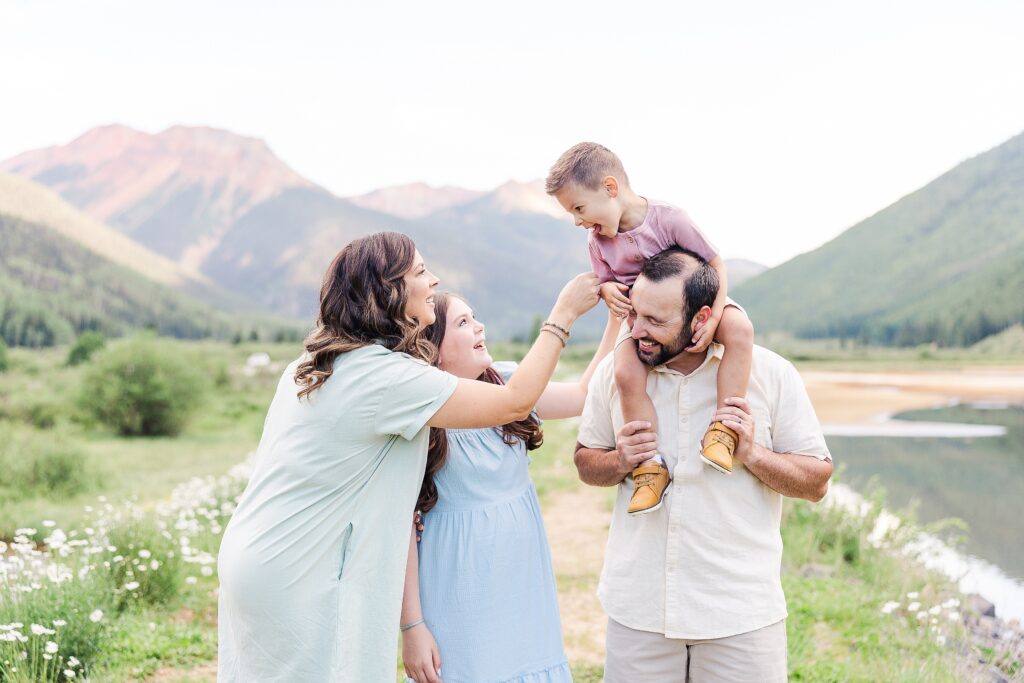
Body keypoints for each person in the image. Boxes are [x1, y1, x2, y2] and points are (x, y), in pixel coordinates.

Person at [217, 232, 599, 683]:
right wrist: (564, 314)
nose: (434, 281)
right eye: (420, 272)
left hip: (258, 552)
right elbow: (516, 402)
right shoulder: (383, 376)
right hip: (303, 568)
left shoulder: (314, 363)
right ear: (388, 289)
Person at [574, 247, 832, 682]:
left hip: (739, 617)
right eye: (636, 315)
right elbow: (584, 461)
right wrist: (619, 461)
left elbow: (817, 482)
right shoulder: (614, 374)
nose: (638, 331)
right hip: (639, 612)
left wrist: (753, 453)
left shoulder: (771, 374)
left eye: (656, 321)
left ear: (702, 318)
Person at [399, 293, 619, 683]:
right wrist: (413, 626)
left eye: (476, 317)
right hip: (455, 580)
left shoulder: (508, 382)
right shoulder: (421, 412)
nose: (479, 326)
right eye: (463, 323)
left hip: (520, 571)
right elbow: (402, 527)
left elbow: (585, 396)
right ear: (432, 347)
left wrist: (615, 322)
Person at [546, 142, 755, 515]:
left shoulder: (669, 219)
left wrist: (717, 312)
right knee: (624, 370)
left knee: (740, 331)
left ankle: (723, 430)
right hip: (640, 322)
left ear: (611, 188)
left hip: (699, 304)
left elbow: (714, 263)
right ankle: (649, 467)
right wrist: (608, 289)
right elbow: (604, 280)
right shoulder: (597, 241)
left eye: (579, 208)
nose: (578, 221)